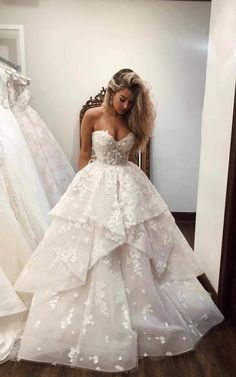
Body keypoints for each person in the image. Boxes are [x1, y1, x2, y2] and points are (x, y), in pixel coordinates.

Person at [14, 69, 224, 373]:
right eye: (123, 99)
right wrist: (82, 191)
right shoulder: (91, 116)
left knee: (136, 246)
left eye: (130, 102)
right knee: (92, 249)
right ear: (112, 92)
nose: (125, 106)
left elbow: (131, 156)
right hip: (95, 182)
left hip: (128, 186)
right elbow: (85, 153)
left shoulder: (134, 121)